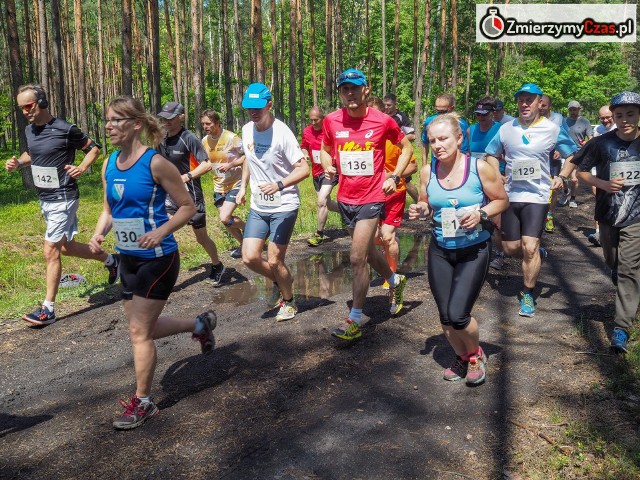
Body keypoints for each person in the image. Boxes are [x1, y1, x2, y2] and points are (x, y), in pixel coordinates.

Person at [89, 96, 216, 430]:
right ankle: (198, 324)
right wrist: (99, 234)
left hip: (158, 259)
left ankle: (144, 402)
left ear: (135, 124)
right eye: (107, 120)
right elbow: (108, 208)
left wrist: (161, 231)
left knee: (137, 332)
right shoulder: (109, 163)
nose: (109, 126)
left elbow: (187, 207)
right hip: (128, 258)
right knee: (145, 329)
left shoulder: (156, 163)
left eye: (116, 120)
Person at [5, 84, 119, 326]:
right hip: (45, 198)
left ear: (42, 103)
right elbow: (33, 155)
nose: (25, 111)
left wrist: (83, 167)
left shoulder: (65, 129)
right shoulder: (29, 131)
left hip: (64, 197)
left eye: (28, 106)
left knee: (50, 250)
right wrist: (19, 163)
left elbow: (94, 148)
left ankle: (48, 309)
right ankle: (112, 260)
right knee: (65, 247)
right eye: (21, 108)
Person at [409, 113, 509, 385]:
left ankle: (476, 354)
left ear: (459, 138)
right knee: (444, 315)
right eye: (432, 141)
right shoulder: (428, 171)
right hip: (441, 247)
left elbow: (501, 200)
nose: (438, 145)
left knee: (458, 314)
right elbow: (426, 202)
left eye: (443, 138)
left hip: (473, 249)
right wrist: (421, 209)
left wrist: (482, 214)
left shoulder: (480, 168)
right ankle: (463, 357)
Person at [321, 69, 412, 341]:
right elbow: (325, 150)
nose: (350, 93)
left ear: (366, 90)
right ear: (339, 92)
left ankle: (355, 318)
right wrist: (327, 165)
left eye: (355, 88)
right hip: (346, 197)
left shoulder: (383, 120)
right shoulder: (331, 121)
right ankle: (395, 281)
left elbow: (406, 147)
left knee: (357, 257)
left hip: (372, 197)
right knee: (370, 253)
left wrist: (394, 176)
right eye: (344, 88)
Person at [558, 92, 640, 353]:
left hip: (637, 218)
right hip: (607, 215)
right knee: (612, 259)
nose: (625, 120)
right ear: (613, 117)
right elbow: (581, 170)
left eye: (630, 114)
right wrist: (602, 183)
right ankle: (616, 269)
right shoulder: (601, 143)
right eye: (620, 115)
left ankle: (621, 328)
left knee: (629, 271)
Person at [486, 83, 576, 317]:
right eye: (521, 100)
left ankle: (527, 293)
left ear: (539, 103)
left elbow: (573, 154)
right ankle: (538, 256)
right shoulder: (506, 129)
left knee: (530, 245)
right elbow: (491, 154)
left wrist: (563, 176)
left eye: (529, 100)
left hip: (538, 195)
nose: (524, 104)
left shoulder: (552, 129)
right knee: (510, 248)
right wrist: (497, 174)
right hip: (511, 195)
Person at [237, 83, 309, 322]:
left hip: (284, 204)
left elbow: (304, 169)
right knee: (249, 257)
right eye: (249, 108)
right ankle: (281, 281)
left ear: (269, 104)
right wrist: (242, 187)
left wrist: (279, 184)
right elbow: (249, 156)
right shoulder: (247, 129)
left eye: (258, 107)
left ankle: (289, 301)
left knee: (276, 259)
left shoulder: (282, 133)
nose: (253, 112)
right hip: (259, 205)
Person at [156, 102, 226, 286]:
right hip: (170, 195)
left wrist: (186, 177)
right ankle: (165, 273)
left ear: (181, 117)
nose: (167, 122)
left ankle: (217, 265)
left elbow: (206, 164)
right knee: (164, 230)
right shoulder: (161, 139)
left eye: (171, 118)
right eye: (164, 118)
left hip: (191, 196)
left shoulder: (189, 138)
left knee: (201, 238)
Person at [369, 96, 417, 287]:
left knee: (387, 237)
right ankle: (390, 245)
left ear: (383, 114)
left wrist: (392, 175)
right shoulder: (361, 138)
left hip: (394, 193)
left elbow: (412, 167)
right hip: (370, 195)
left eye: (374, 113)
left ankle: (391, 274)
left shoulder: (395, 137)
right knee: (373, 238)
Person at [200, 109, 246, 258]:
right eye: (203, 124)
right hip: (218, 185)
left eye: (208, 123)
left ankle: (250, 229)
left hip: (235, 183)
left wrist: (230, 165)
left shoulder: (231, 137)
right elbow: (206, 162)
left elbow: (247, 156)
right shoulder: (204, 141)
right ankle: (244, 244)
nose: (206, 127)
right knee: (226, 221)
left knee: (225, 217)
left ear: (217, 123)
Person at [467, 97, 505, 270]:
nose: (480, 118)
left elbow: (508, 153)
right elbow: (467, 154)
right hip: (475, 179)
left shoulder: (501, 130)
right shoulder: (470, 130)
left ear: (493, 114)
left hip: (496, 177)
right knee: (476, 214)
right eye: (478, 114)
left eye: (484, 114)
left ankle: (499, 253)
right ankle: (477, 249)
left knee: (496, 219)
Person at [301, 106, 339, 247]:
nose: (313, 123)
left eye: (316, 120)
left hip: (330, 169)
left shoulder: (330, 130)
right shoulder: (307, 131)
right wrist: (305, 154)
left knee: (321, 200)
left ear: (323, 118)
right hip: (316, 172)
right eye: (311, 120)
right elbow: (304, 146)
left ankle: (319, 234)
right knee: (326, 203)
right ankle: (348, 210)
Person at [538, 95, 574, 233]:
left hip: (553, 159)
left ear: (550, 106)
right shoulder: (529, 120)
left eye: (544, 105)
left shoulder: (558, 118)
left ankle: (550, 215)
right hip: (537, 161)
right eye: (539, 105)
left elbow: (566, 136)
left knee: (552, 188)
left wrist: (560, 149)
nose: (541, 108)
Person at [586, 105, 616, 246]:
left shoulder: (620, 128)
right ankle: (599, 232)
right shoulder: (598, 130)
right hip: (599, 169)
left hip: (616, 170)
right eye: (602, 118)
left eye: (608, 117)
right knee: (599, 197)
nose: (605, 121)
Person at [383, 93, 419, 202]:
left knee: (406, 182)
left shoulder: (401, 117)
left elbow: (412, 135)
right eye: (384, 105)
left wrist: (396, 139)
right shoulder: (382, 115)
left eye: (389, 105)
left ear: (395, 104)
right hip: (385, 153)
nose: (386, 107)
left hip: (399, 153)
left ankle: (420, 202)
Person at [421, 93, 470, 166]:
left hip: (456, 166)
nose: (440, 114)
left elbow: (465, 150)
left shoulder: (461, 124)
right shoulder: (429, 122)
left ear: (451, 108)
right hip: (436, 165)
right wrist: (424, 165)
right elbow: (425, 144)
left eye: (443, 111)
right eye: (437, 111)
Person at [565, 100, 594, 208]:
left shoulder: (585, 122)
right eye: (571, 110)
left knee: (573, 178)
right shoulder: (564, 122)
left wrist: (587, 143)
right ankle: (565, 191)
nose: (573, 112)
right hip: (566, 152)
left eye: (575, 109)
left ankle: (572, 199)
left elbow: (591, 138)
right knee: (562, 177)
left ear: (579, 109)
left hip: (579, 152)